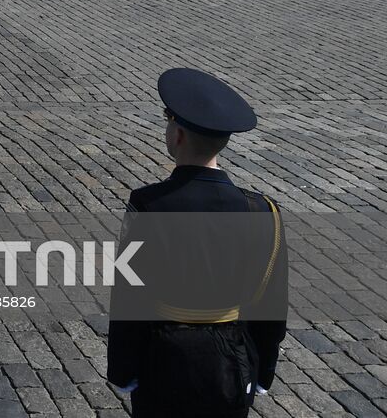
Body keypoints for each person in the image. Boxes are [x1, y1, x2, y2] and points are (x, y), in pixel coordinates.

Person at [107, 68, 287, 416]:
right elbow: (272, 304)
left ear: (176, 135)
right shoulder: (262, 210)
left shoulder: (150, 204)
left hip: (163, 358)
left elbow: (130, 296)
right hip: (231, 362)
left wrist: (123, 369)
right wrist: (263, 371)